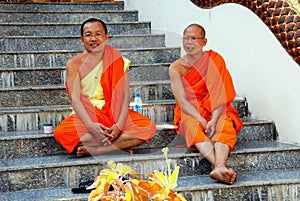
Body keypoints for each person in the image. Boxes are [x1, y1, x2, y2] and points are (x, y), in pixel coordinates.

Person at [54, 18, 156, 158]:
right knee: (62, 132)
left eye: (98, 34)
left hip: (113, 112)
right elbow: (75, 98)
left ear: (106, 37)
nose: (93, 39)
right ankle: (119, 146)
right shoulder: (74, 64)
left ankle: (97, 150)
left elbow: (126, 96)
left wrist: (120, 125)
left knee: (147, 128)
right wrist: (90, 125)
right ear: (82, 39)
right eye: (88, 35)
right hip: (87, 114)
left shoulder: (116, 59)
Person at [169, 23, 243, 185]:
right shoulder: (176, 68)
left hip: (215, 108)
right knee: (191, 125)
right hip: (191, 110)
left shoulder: (214, 60)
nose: (189, 42)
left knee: (224, 122)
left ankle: (219, 166)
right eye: (186, 38)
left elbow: (220, 94)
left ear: (204, 41)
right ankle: (219, 166)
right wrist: (202, 120)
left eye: (194, 38)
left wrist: (213, 120)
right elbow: (182, 101)